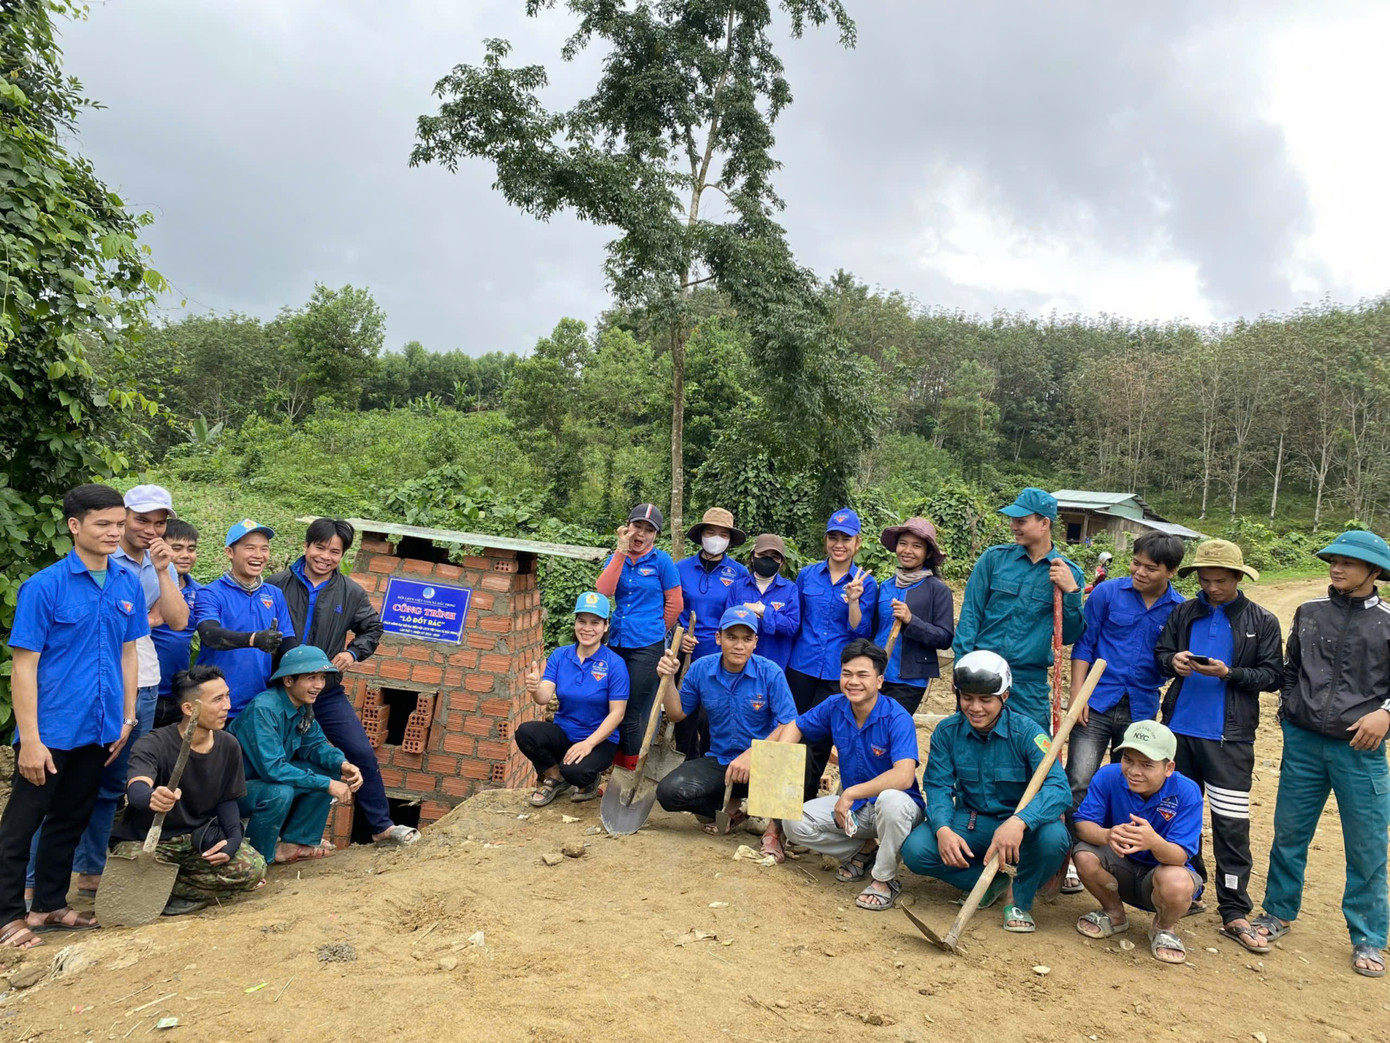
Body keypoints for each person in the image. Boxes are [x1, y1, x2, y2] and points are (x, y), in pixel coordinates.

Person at [0, 485, 148, 950]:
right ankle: (7, 918)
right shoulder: (45, 587)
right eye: (103, 523)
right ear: (74, 526)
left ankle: (48, 905)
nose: (113, 532)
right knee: (21, 827)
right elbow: (23, 666)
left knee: (72, 818)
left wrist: (126, 719)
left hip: (100, 729)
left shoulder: (125, 583)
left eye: (119, 524)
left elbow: (128, 655)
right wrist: (31, 740)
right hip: (51, 731)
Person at [38, 484, 190, 901]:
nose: (149, 530)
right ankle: (36, 881)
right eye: (140, 520)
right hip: (91, 687)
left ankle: (89, 870)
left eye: (159, 524)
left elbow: (177, 621)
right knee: (59, 787)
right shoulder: (100, 562)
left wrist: (164, 571)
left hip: (140, 686)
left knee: (112, 784)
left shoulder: (158, 564)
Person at [1251, 530, 1390, 978]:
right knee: (1289, 834)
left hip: (1360, 749)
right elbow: (1291, 670)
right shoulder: (1308, 612)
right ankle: (1277, 912)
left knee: (1367, 845)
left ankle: (1368, 936)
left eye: (1348, 562)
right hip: (1305, 743)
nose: (1337, 567)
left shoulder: (1387, 622)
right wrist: (1291, 713)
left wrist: (1385, 714)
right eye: (1333, 560)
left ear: (1374, 572)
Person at [1154, 539, 1282, 951]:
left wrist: (1230, 673)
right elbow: (1161, 652)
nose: (1211, 587)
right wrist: (1172, 662)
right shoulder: (1184, 612)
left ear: (1238, 578)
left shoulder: (1261, 621)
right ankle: (1190, 889)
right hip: (1179, 734)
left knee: (1230, 824)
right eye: (1205, 580)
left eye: (1220, 581)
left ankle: (1234, 908)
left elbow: (1272, 675)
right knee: (1177, 818)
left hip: (1230, 739)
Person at [900, 650, 1071, 934]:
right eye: (967, 698)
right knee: (916, 850)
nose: (975, 707)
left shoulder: (1028, 733)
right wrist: (942, 828)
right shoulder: (946, 732)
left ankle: (1019, 897)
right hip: (971, 822)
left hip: (1020, 829)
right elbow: (938, 785)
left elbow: (1058, 788)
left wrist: (1019, 822)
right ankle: (988, 882)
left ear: (1004, 697)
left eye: (985, 700)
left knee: (1054, 838)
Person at [267, 519, 414, 845]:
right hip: (279, 690)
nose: (325, 556)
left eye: (335, 551)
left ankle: (382, 827)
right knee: (276, 758)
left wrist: (352, 653)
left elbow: (373, 629)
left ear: (342, 555)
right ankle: (273, 835)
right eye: (320, 547)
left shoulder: (350, 592)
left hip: (326, 691)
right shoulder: (276, 585)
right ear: (306, 546)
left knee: (360, 751)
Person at [1063, 531, 1185, 892]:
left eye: (1151, 568)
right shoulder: (1106, 593)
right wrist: (1078, 696)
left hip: (1142, 709)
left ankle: (1123, 856)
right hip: (1097, 701)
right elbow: (1085, 644)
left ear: (1172, 572)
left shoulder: (1179, 609)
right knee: (1079, 781)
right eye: (1136, 563)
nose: (1140, 572)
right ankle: (1071, 858)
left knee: (1134, 784)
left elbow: (1169, 661)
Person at [778, 640, 924, 911]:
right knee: (794, 823)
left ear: (880, 681)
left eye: (862, 675)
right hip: (856, 811)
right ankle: (864, 850)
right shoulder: (836, 705)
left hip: (897, 812)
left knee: (891, 800)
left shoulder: (896, 717)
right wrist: (780, 766)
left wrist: (851, 792)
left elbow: (904, 777)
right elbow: (796, 725)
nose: (853, 682)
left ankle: (884, 880)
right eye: (847, 674)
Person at [109, 666, 267, 915]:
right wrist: (153, 797)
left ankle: (167, 890)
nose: (227, 705)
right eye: (217, 699)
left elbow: (227, 802)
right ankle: (180, 890)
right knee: (128, 866)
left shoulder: (228, 745)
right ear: (189, 709)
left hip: (197, 841)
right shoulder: (153, 744)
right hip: (148, 842)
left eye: (227, 696)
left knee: (253, 868)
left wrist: (232, 841)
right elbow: (137, 789)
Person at [655, 606, 796, 842]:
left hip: (763, 764)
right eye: (731, 637)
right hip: (721, 762)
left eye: (746, 639)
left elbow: (789, 723)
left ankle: (771, 827)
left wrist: (753, 754)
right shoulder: (701, 669)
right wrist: (668, 680)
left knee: (795, 764)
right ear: (718, 638)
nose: (739, 645)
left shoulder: (770, 673)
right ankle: (732, 808)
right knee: (669, 793)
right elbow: (677, 713)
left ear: (755, 642)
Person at [952, 487, 1084, 732]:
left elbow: (1069, 636)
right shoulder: (993, 560)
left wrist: (1071, 593)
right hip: (982, 673)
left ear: (1044, 523)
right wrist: (961, 668)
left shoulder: (1069, 573)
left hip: (1028, 683)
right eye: (1012, 520)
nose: (1013, 526)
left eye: (1021, 521)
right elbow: (970, 616)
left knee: (1032, 749)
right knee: (972, 744)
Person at [1072, 721, 1204, 965]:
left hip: (1159, 876)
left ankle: (1163, 928)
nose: (1133, 771)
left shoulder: (1187, 792)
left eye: (1146, 765)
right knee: (1084, 855)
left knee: (1177, 880)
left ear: (1168, 767)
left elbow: (1180, 856)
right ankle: (1114, 914)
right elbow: (1082, 824)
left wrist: (1153, 841)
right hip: (1119, 867)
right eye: (1128, 759)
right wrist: (1108, 835)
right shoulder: (1108, 776)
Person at [226, 645, 362, 863]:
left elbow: (316, 745)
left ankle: (296, 843)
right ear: (288, 680)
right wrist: (326, 784)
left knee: (328, 770)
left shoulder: (302, 707)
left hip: (266, 781)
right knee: (281, 792)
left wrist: (343, 764)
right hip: (237, 790)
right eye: (311, 678)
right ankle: (260, 858)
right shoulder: (264, 709)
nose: (318, 685)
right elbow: (273, 769)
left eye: (321, 677)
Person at [786, 508, 877, 798]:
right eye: (833, 537)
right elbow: (795, 620)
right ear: (826, 539)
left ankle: (803, 807)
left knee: (819, 740)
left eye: (846, 538)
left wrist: (854, 600)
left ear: (857, 543)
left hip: (837, 673)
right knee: (790, 733)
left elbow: (861, 633)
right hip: (801, 665)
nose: (839, 544)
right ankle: (778, 807)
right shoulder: (807, 575)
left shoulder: (866, 583)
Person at [516, 591, 629, 805]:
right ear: (575, 623)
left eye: (595, 622)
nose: (587, 628)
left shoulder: (615, 664)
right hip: (565, 733)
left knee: (576, 772)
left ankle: (588, 781)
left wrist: (588, 743)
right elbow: (544, 697)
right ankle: (555, 777)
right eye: (582, 621)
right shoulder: (560, 655)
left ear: (606, 626)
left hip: (599, 740)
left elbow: (618, 713)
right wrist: (534, 688)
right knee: (526, 733)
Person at [594, 503, 683, 762]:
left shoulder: (662, 562)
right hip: (617, 642)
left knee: (632, 712)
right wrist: (621, 553)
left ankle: (629, 773)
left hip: (647, 647)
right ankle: (606, 766)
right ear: (627, 527)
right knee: (611, 705)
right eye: (637, 526)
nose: (640, 534)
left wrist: (656, 629)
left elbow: (675, 604)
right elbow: (604, 591)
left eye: (648, 529)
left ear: (655, 534)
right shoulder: (617, 557)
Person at [194, 519, 298, 717]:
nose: (258, 555)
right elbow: (210, 634)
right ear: (230, 552)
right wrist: (254, 639)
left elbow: (288, 644)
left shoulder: (274, 594)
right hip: (214, 705)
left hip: (258, 705)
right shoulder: (211, 593)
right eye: (250, 548)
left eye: (264, 549)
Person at [674, 508, 750, 758]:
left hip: (720, 659)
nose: (716, 538)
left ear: (729, 539)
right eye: (710, 532)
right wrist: (679, 635)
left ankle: (709, 766)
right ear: (701, 535)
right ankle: (685, 764)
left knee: (712, 718)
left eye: (722, 533)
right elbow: (670, 608)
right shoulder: (680, 569)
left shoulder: (739, 573)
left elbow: (741, 616)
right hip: (685, 655)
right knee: (684, 716)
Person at [872, 518, 954, 715]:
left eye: (916, 546)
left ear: (927, 553)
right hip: (876, 675)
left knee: (889, 730)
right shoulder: (885, 586)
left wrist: (911, 621)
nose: (908, 551)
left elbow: (945, 637)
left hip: (909, 681)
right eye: (903, 544)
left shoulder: (938, 590)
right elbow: (873, 630)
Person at [152, 518, 203, 728]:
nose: (185, 555)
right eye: (177, 548)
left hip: (179, 694)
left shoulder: (200, 592)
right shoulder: (148, 584)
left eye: (191, 549)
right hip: (144, 690)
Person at [724, 533, 800, 673]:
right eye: (763, 554)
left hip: (774, 663)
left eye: (774, 557)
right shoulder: (738, 587)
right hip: (739, 663)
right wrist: (743, 613)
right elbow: (726, 623)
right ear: (753, 556)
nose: (768, 559)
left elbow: (792, 627)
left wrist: (764, 611)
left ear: (781, 562)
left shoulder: (790, 590)